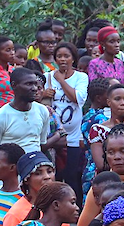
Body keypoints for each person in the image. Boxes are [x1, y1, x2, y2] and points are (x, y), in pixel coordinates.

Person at [50, 41, 88, 202]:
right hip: (53, 138)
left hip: (74, 136)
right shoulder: (48, 77)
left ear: (73, 58)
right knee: (55, 176)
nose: (63, 59)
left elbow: (76, 98)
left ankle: (75, 209)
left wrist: (61, 80)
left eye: (66, 56)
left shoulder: (81, 77)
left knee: (73, 175)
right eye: (59, 56)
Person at [0, 67, 50, 153]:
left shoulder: (42, 111)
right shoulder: (1, 117)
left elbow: (42, 143)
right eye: (29, 84)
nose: (34, 88)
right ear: (14, 85)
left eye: (35, 84)